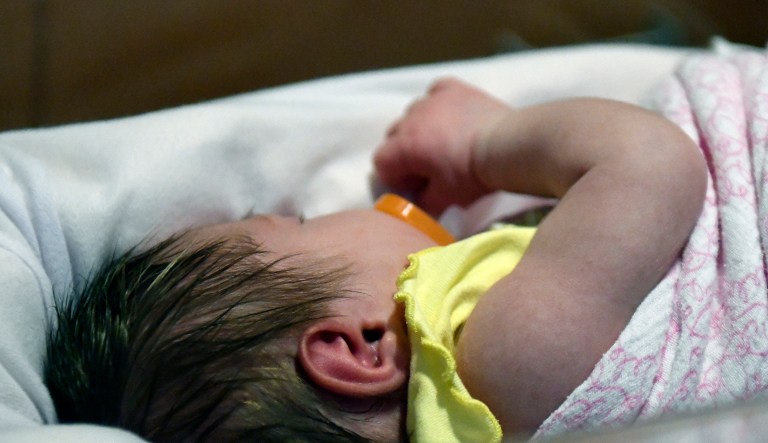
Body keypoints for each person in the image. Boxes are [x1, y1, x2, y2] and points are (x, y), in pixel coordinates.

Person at [45, 78, 707, 442]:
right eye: (301, 224)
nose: (331, 210)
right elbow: (652, 164)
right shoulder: (506, 361)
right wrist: (483, 143)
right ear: (356, 350)